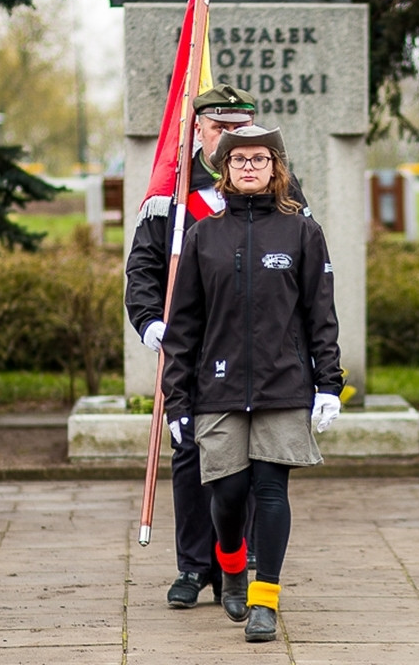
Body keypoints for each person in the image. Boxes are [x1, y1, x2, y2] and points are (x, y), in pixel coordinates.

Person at [161, 124, 343, 642]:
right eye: (238, 160)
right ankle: (231, 565)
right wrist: (178, 399)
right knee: (228, 491)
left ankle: (265, 600)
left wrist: (328, 383)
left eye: (259, 159)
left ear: (274, 168)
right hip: (216, 387)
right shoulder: (204, 236)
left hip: (282, 384)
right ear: (224, 170)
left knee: (269, 489)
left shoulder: (302, 232)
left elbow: (320, 314)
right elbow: (184, 327)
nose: (248, 167)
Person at [125, 84, 259, 609]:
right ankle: (192, 566)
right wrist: (149, 322)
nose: (228, 137)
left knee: (246, 458)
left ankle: (241, 563)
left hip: (251, 345)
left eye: (238, 127)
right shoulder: (173, 194)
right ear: (197, 128)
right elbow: (144, 268)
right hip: (191, 348)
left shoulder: (272, 188)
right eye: (219, 127)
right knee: (190, 455)